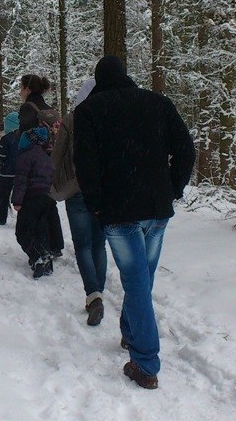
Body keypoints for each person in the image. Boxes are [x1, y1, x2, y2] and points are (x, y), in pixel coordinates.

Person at [73, 56, 195, 390]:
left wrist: (97, 205)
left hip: (119, 211)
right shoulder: (157, 103)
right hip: (156, 209)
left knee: (137, 282)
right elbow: (186, 150)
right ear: (126, 77)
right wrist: (173, 188)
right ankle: (131, 333)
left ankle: (145, 363)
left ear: (98, 82)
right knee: (143, 279)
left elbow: (85, 166)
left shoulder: (89, 112)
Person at [51, 78, 106, 327]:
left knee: (83, 246)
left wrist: (54, 183)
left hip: (76, 189)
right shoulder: (109, 116)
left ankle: (93, 296)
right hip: (104, 191)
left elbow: (57, 154)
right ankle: (99, 293)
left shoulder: (72, 119)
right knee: (99, 246)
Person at [16, 74, 64, 257]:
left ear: (27, 88)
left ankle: (40, 249)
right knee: (49, 205)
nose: (20, 91)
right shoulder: (50, 109)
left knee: (33, 209)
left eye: (21, 87)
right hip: (52, 163)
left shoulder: (28, 108)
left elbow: (26, 138)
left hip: (35, 165)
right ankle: (56, 244)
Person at [12, 125, 56, 279]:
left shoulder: (25, 156)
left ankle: (38, 256)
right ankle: (47, 260)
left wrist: (17, 200)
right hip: (47, 198)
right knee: (41, 230)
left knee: (23, 231)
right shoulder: (45, 156)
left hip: (31, 198)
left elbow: (21, 180)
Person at [0, 111, 20, 225]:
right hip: (21, 173)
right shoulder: (24, 137)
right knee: (22, 197)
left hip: (7, 173)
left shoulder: (6, 139)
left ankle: (0, 217)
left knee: (3, 196)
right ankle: (23, 219)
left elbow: (1, 156)